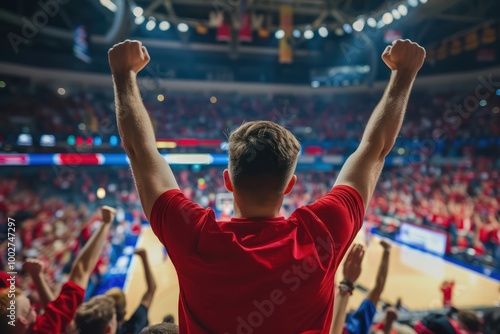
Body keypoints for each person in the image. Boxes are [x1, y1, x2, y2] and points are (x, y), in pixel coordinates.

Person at [108, 38, 425, 332]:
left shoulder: (194, 236)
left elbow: (139, 149)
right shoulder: (322, 232)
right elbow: (375, 148)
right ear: (291, 186)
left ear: (228, 182)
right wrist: (404, 75)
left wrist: (124, 75)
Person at [0, 206, 116, 334]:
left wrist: (38, 277)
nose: (34, 309)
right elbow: (80, 270)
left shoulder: (24, 324)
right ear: (23, 321)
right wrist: (106, 223)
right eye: (30, 309)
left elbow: (53, 311)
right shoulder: (45, 329)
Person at [330, 240, 394, 334]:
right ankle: (387, 251)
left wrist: (347, 283)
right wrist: (347, 283)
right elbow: (378, 288)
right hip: (354, 329)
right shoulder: (359, 328)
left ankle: (387, 251)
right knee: (376, 290)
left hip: (345, 322)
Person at [105, 248, 157, 334]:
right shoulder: (137, 320)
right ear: (124, 313)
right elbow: (151, 289)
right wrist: (144, 258)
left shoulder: (103, 329)